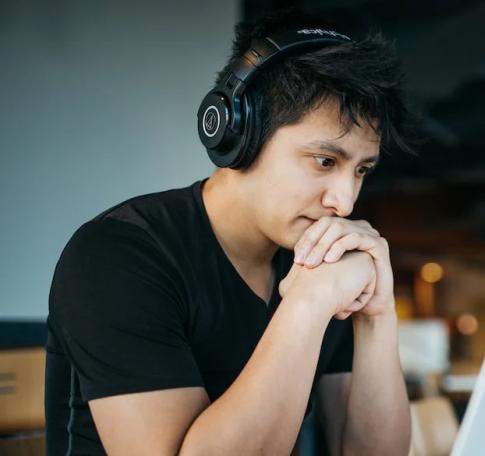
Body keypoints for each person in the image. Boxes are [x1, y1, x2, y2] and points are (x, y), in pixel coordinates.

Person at [45, 9, 416, 455]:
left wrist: (377, 317)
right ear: (241, 133)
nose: (345, 202)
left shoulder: (321, 258)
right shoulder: (117, 256)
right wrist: (307, 303)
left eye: (362, 170)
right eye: (324, 161)